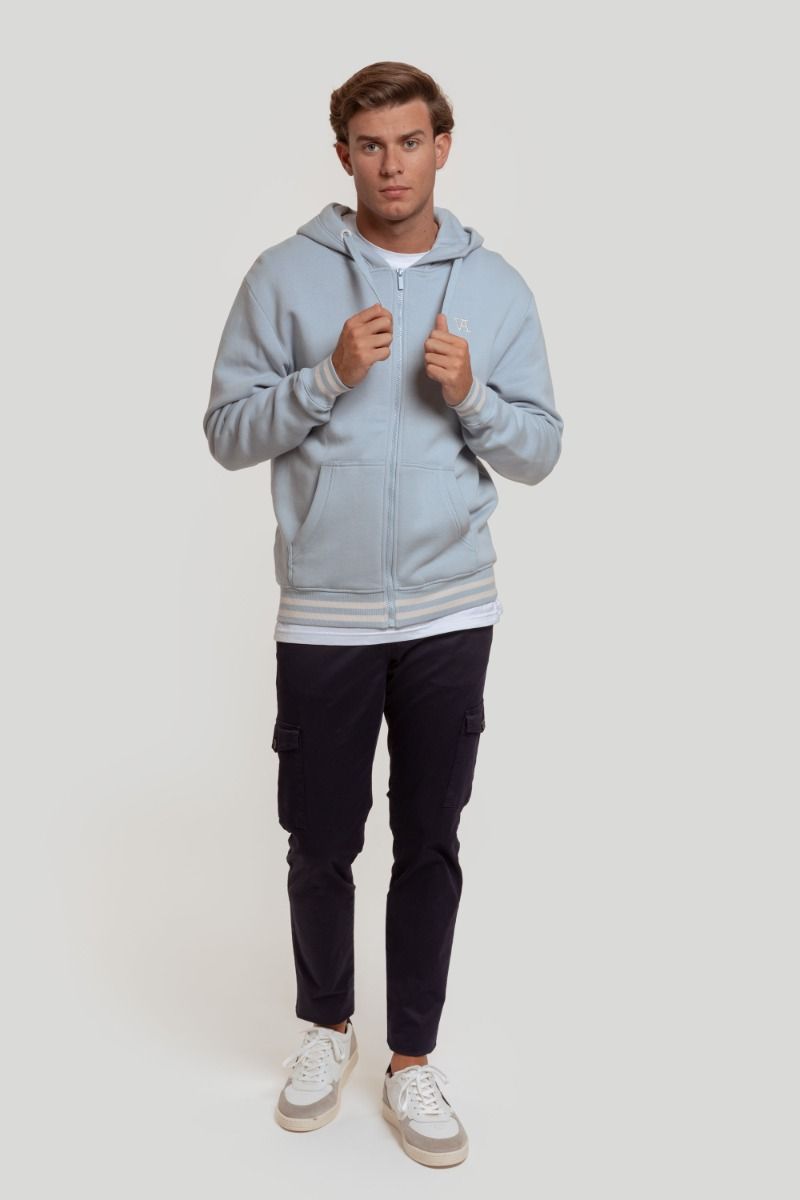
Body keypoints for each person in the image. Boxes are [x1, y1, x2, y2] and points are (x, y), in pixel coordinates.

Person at [203, 60, 563, 1168]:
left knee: (430, 838)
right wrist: (324, 378)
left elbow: (541, 450)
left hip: (451, 607)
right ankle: (326, 1029)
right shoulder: (282, 276)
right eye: (370, 145)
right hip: (326, 611)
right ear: (343, 155)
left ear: (441, 147)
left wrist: (472, 397)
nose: (391, 165)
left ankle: (411, 1060)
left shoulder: (495, 286)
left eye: (410, 142)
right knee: (319, 841)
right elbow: (225, 432)